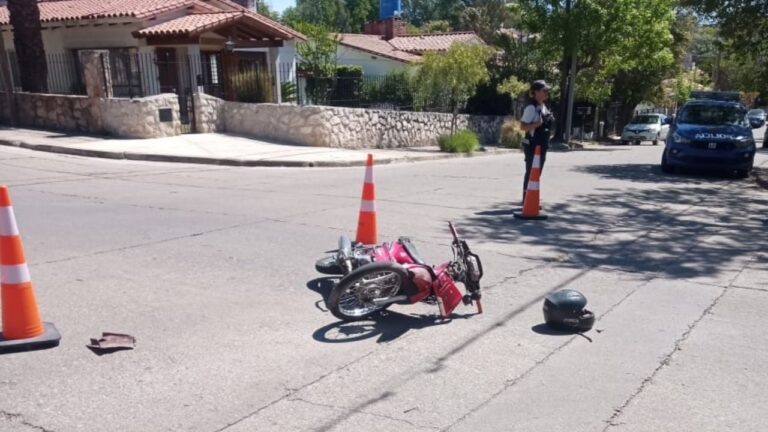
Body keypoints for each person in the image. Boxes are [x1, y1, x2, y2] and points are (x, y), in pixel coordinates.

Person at [519, 80, 554, 202]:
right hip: (532, 145)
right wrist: (536, 124)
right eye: (544, 90)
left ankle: (531, 197)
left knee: (537, 172)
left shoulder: (543, 107)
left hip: (542, 145)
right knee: (531, 172)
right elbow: (523, 127)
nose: (547, 93)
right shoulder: (531, 107)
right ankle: (526, 199)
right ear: (536, 92)